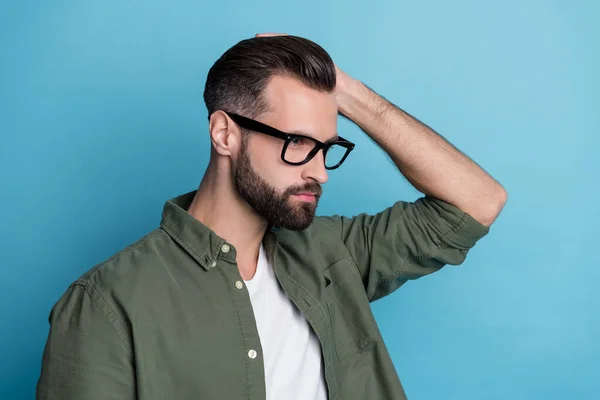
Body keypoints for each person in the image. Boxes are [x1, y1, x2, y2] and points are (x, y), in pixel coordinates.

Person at [36, 33, 507, 400]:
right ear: (225, 134)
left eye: (327, 148)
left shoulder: (333, 252)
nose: (320, 172)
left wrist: (348, 93)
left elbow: (478, 201)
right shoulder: (106, 305)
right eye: (298, 143)